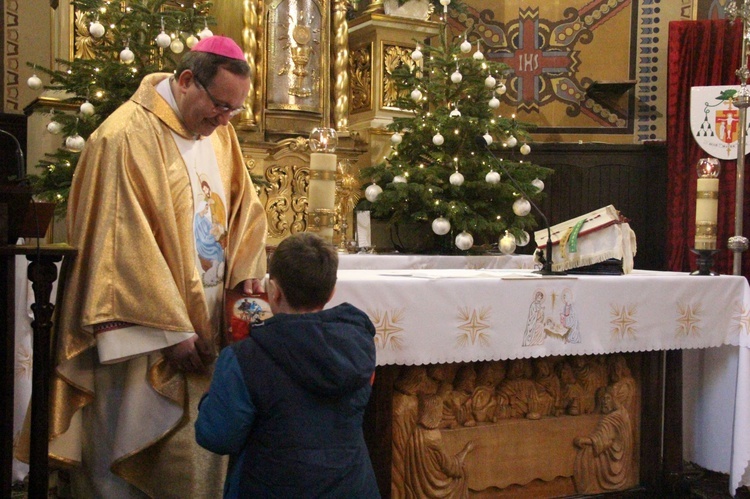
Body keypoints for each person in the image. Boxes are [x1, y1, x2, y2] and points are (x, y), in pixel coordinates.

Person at [34, 36, 268, 498]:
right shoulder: (123, 137)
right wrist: (171, 332)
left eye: (234, 111)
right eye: (220, 106)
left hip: (210, 321)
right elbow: (117, 243)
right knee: (125, 456)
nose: (224, 121)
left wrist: (242, 298)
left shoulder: (219, 133)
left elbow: (245, 213)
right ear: (186, 81)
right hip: (146, 336)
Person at [195, 232, 379, 498]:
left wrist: (209, 400)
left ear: (274, 291)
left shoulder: (245, 358)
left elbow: (217, 436)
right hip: (351, 487)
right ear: (332, 292)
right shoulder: (358, 345)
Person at [573, 386, 636, 494]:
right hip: (619, 457)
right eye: (603, 399)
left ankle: (590, 489)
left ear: (615, 399)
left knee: (586, 454)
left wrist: (583, 440)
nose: (604, 402)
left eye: (608, 399)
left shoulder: (613, 418)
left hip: (614, 464)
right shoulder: (623, 412)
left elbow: (602, 438)